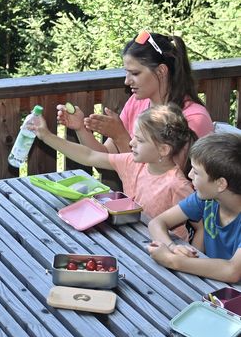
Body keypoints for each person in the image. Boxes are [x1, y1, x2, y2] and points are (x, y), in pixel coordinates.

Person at [33, 103, 196, 239]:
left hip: (166, 251)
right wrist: (46, 136)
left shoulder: (177, 185)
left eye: (139, 140)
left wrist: (193, 261)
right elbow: (89, 155)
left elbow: (201, 227)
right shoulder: (132, 162)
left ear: (163, 149)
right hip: (132, 239)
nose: (131, 143)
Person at [57, 30, 212, 155]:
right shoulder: (137, 102)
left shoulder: (194, 118)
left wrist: (120, 136)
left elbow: (157, 180)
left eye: (135, 73)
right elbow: (106, 155)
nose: (127, 81)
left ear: (161, 71)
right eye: (127, 73)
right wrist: (80, 128)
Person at [147, 133, 241, 283]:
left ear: (220, 184)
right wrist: (172, 247)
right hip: (212, 285)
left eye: (196, 172)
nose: (189, 175)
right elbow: (157, 223)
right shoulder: (207, 198)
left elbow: (232, 271)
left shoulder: (208, 197)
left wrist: (171, 260)